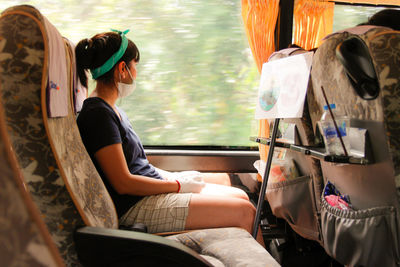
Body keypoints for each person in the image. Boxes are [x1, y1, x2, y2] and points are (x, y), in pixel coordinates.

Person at [75, 29, 264, 246]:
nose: (136, 73)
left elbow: (140, 165)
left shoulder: (111, 109)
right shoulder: (98, 114)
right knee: (246, 212)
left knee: (239, 196)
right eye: (135, 66)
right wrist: (176, 185)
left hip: (146, 196)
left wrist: (175, 178)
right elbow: (123, 183)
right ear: (122, 69)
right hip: (135, 207)